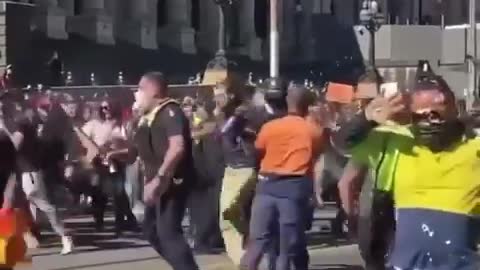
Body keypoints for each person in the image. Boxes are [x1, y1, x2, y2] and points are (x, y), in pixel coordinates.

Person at [334, 74, 480, 269]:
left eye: (434, 114)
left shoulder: (474, 148)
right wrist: (367, 118)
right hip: (406, 263)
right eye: (420, 116)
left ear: (453, 108)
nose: (428, 122)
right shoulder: (397, 142)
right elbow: (342, 142)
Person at [242, 85, 324, 270]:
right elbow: (316, 156)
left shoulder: (270, 127)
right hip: (293, 189)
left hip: (266, 186)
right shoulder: (313, 130)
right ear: (307, 106)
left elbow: (258, 151)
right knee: (286, 248)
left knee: (257, 243)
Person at [125, 71, 199, 270]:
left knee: (168, 233)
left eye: (140, 89)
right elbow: (139, 149)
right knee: (151, 231)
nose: (136, 94)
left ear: (153, 91)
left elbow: (177, 147)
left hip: (171, 181)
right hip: (154, 182)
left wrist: (159, 178)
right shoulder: (148, 116)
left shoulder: (170, 112)